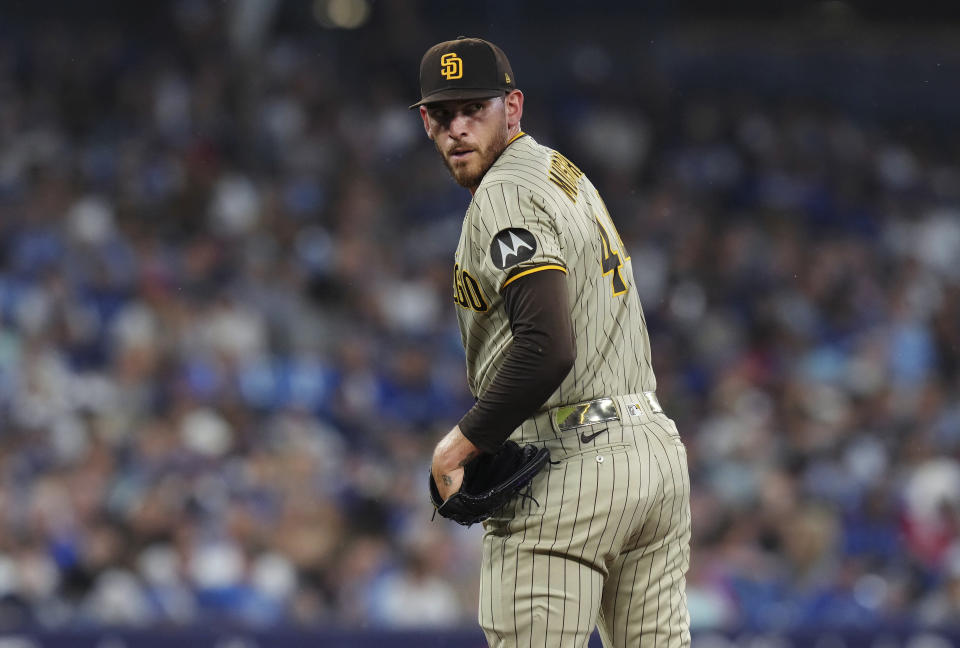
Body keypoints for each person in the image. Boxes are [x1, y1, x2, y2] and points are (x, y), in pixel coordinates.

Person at [413, 36, 691, 647]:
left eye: (473, 109)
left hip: (570, 465)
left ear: (512, 107)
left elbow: (546, 346)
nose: (457, 128)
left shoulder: (505, 192)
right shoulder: (558, 172)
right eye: (441, 114)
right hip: (653, 456)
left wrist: (458, 448)